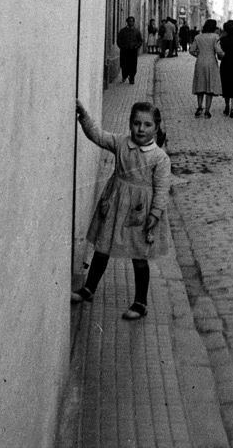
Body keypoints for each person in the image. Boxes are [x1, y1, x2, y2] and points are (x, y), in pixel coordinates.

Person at [71, 100, 171, 320]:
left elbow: (162, 189)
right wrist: (83, 116)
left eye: (147, 125)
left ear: (156, 127)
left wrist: (155, 214)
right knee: (103, 246)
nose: (141, 129)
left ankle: (140, 302)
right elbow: (98, 135)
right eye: (136, 123)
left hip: (140, 214)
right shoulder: (121, 143)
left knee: (139, 255)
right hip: (115, 206)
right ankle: (89, 288)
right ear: (129, 124)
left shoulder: (160, 158)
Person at [189, 18, 224, 117]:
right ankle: (207, 110)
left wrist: (198, 55)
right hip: (211, 62)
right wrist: (224, 55)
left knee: (200, 84)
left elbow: (191, 50)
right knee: (209, 86)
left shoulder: (198, 37)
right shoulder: (215, 37)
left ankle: (199, 106)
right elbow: (218, 50)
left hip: (200, 62)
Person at [117, 16, 143, 84]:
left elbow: (140, 41)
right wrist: (122, 47)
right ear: (127, 22)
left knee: (133, 65)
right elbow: (119, 40)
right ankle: (124, 75)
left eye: (132, 21)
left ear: (134, 22)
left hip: (133, 51)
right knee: (124, 64)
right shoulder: (123, 31)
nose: (131, 23)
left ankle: (132, 78)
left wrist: (136, 46)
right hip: (125, 51)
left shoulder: (137, 31)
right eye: (129, 21)